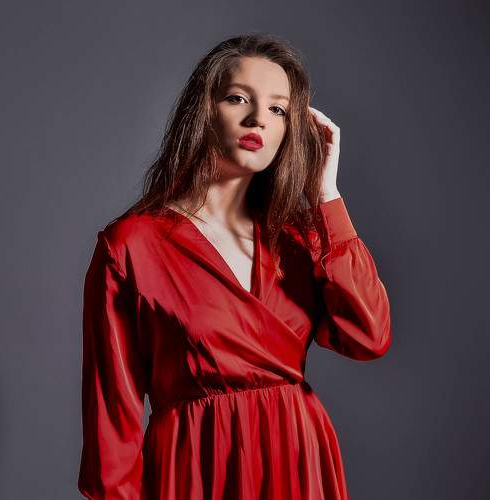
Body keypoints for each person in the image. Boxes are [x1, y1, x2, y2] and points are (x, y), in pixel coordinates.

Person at [77, 32, 392, 500]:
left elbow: (369, 336)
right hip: (195, 468)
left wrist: (327, 196)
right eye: (238, 98)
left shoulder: (298, 240)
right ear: (204, 110)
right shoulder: (132, 245)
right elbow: (111, 428)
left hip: (298, 462)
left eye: (278, 109)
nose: (257, 118)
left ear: (291, 130)